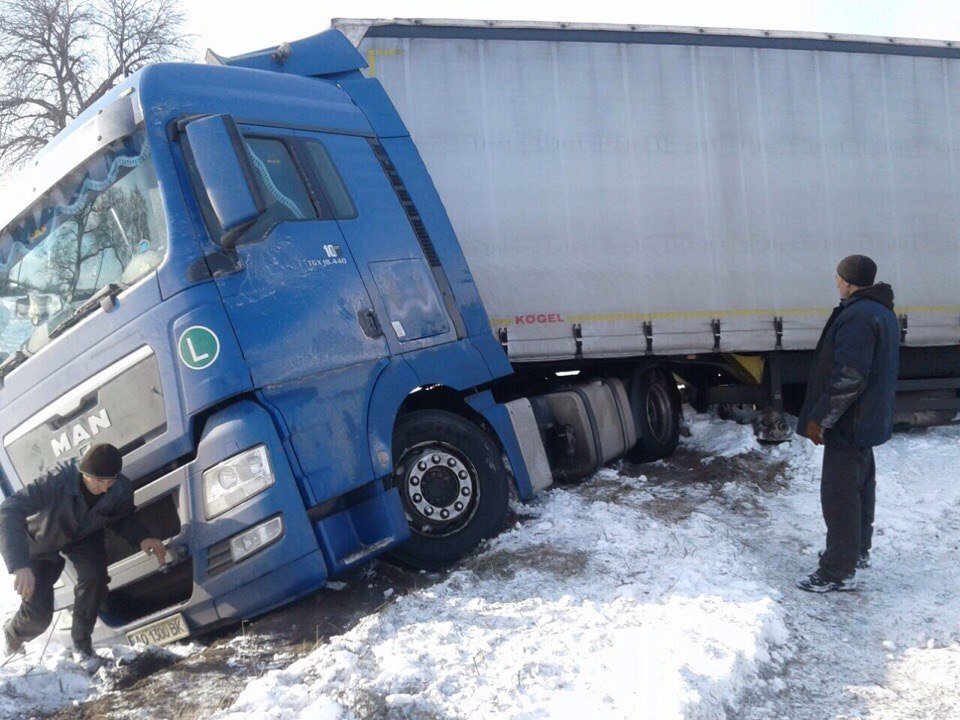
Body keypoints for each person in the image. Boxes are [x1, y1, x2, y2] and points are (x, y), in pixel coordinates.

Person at [0, 444, 167, 669]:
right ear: (83, 473)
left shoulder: (120, 488)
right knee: (39, 616)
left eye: (110, 481)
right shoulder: (58, 479)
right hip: (42, 540)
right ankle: (13, 635)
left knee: (95, 578)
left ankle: (82, 647)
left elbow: (122, 518)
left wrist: (143, 538)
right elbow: (9, 509)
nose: (105, 488)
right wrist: (19, 565)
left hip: (84, 535)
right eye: (98, 481)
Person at [795, 254, 899, 593]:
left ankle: (837, 570)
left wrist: (820, 419)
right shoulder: (880, 311)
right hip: (865, 419)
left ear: (849, 281)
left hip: (849, 421)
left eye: (839, 278)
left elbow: (850, 376)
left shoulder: (858, 315)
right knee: (860, 488)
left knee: (839, 496)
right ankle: (857, 551)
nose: (836, 283)